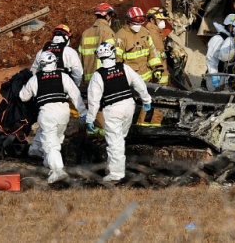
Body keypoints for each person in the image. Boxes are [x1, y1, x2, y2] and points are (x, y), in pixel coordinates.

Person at [85, 42, 152, 183]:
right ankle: (112, 167)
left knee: (115, 142)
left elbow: (93, 101)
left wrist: (90, 118)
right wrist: (146, 99)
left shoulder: (98, 75)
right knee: (119, 138)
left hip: (112, 109)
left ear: (99, 57)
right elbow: (139, 83)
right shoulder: (124, 68)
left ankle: (116, 174)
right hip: (129, 105)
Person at [19, 51, 87, 184]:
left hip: (47, 113)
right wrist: (83, 113)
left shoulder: (35, 79)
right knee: (56, 139)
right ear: (54, 62)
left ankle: (58, 170)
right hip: (63, 113)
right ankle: (48, 164)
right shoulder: (63, 76)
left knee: (51, 145)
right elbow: (75, 94)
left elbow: (23, 96)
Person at [28, 24, 83, 159]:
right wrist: (71, 87)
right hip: (61, 93)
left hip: (43, 93)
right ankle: (53, 155)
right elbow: (78, 73)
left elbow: (33, 72)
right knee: (57, 126)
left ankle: (35, 147)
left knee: (47, 122)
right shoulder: (69, 52)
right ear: (67, 37)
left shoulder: (42, 52)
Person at [113, 6, 163, 83]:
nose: (138, 25)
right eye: (136, 22)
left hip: (147, 80)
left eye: (141, 22)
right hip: (131, 81)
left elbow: (152, 53)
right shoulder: (121, 36)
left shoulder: (145, 32)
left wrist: (157, 69)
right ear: (129, 21)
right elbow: (117, 60)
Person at [78, 3, 118, 88]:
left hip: (89, 81)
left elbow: (80, 58)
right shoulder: (107, 32)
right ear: (107, 16)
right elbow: (113, 56)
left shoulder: (85, 33)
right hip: (105, 78)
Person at [205, 13, 235, 91]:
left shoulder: (233, 39)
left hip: (227, 76)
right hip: (217, 76)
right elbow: (211, 58)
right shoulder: (219, 38)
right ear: (229, 26)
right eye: (233, 26)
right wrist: (214, 76)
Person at [144, 7, 171, 85]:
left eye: (164, 20)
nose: (163, 22)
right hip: (158, 78)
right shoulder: (151, 35)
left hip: (162, 75)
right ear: (152, 20)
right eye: (160, 20)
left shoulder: (157, 33)